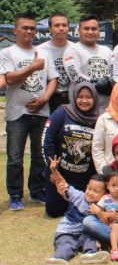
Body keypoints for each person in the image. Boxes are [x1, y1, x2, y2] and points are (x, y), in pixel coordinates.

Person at [0, 12, 58, 210]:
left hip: (41, 112)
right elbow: (9, 79)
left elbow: (53, 79)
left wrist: (44, 98)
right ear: (15, 30)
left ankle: (37, 191)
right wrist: (32, 67)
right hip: (17, 112)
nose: (29, 31)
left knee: (39, 155)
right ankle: (15, 195)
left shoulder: (44, 53)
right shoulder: (8, 53)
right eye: (25, 27)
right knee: (15, 157)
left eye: (32, 28)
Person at [43, 82, 99, 217]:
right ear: (74, 97)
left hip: (84, 179)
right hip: (60, 176)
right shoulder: (61, 113)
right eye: (80, 97)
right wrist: (53, 171)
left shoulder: (99, 119)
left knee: (84, 212)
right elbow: (47, 141)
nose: (84, 101)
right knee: (54, 211)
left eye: (88, 97)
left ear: (95, 98)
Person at [45, 158, 109, 265]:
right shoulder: (78, 196)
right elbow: (62, 183)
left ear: (105, 194)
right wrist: (54, 170)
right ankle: (58, 259)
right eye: (89, 188)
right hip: (67, 231)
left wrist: (99, 212)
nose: (90, 193)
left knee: (90, 239)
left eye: (96, 191)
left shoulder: (104, 205)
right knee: (66, 244)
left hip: (84, 233)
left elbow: (106, 222)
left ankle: (90, 254)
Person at [63, 14, 113, 113]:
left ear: (99, 31)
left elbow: (114, 73)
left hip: (105, 110)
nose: (90, 32)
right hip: (81, 110)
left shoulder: (107, 51)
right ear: (79, 31)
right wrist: (97, 84)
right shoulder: (72, 50)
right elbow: (75, 76)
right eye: (86, 28)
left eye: (94, 29)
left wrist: (109, 81)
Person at [39, 12, 73, 113]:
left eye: (64, 25)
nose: (61, 28)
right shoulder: (40, 50)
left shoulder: (76, 49)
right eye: (57, 25)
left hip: (72, 98)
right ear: (50, 29)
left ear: (68, 28)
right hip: (49, 99)